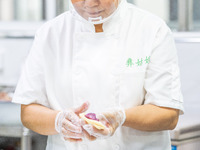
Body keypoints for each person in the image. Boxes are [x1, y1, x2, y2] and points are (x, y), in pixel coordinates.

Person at [12, 0, 184, 149]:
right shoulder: (50, 34)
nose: (90, 4)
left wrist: (121, 117)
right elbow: (28, 111)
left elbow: (168, 115)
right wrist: (59, 121)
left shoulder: (152, 29)